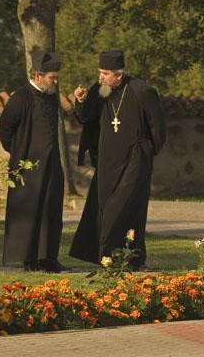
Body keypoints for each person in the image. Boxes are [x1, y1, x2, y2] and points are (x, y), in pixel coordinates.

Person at [69, 50, 166, 270]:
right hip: (107, 160)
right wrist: (80, 101)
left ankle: (125, 257)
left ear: (118, 75)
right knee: (105, 206)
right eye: (99, 72)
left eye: (105, 73)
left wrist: (148, 150)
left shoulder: (142, 91)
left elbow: (158, 126)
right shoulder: (100, 91)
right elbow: (85, 118)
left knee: (126, 207)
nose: (101, 77)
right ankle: (113, 257)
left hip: (135, 159)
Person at [0, 50, 68, 273]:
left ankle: (48, 257)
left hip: (51, 165)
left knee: (51, 209)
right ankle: (30, 259)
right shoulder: (21, 97)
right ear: (37, 76)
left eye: (56, 77)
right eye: (51, 77)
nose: (55, 81)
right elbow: (4, 129)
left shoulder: (50, 97)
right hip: (27, 167)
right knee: (31, 211)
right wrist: (18, 151)